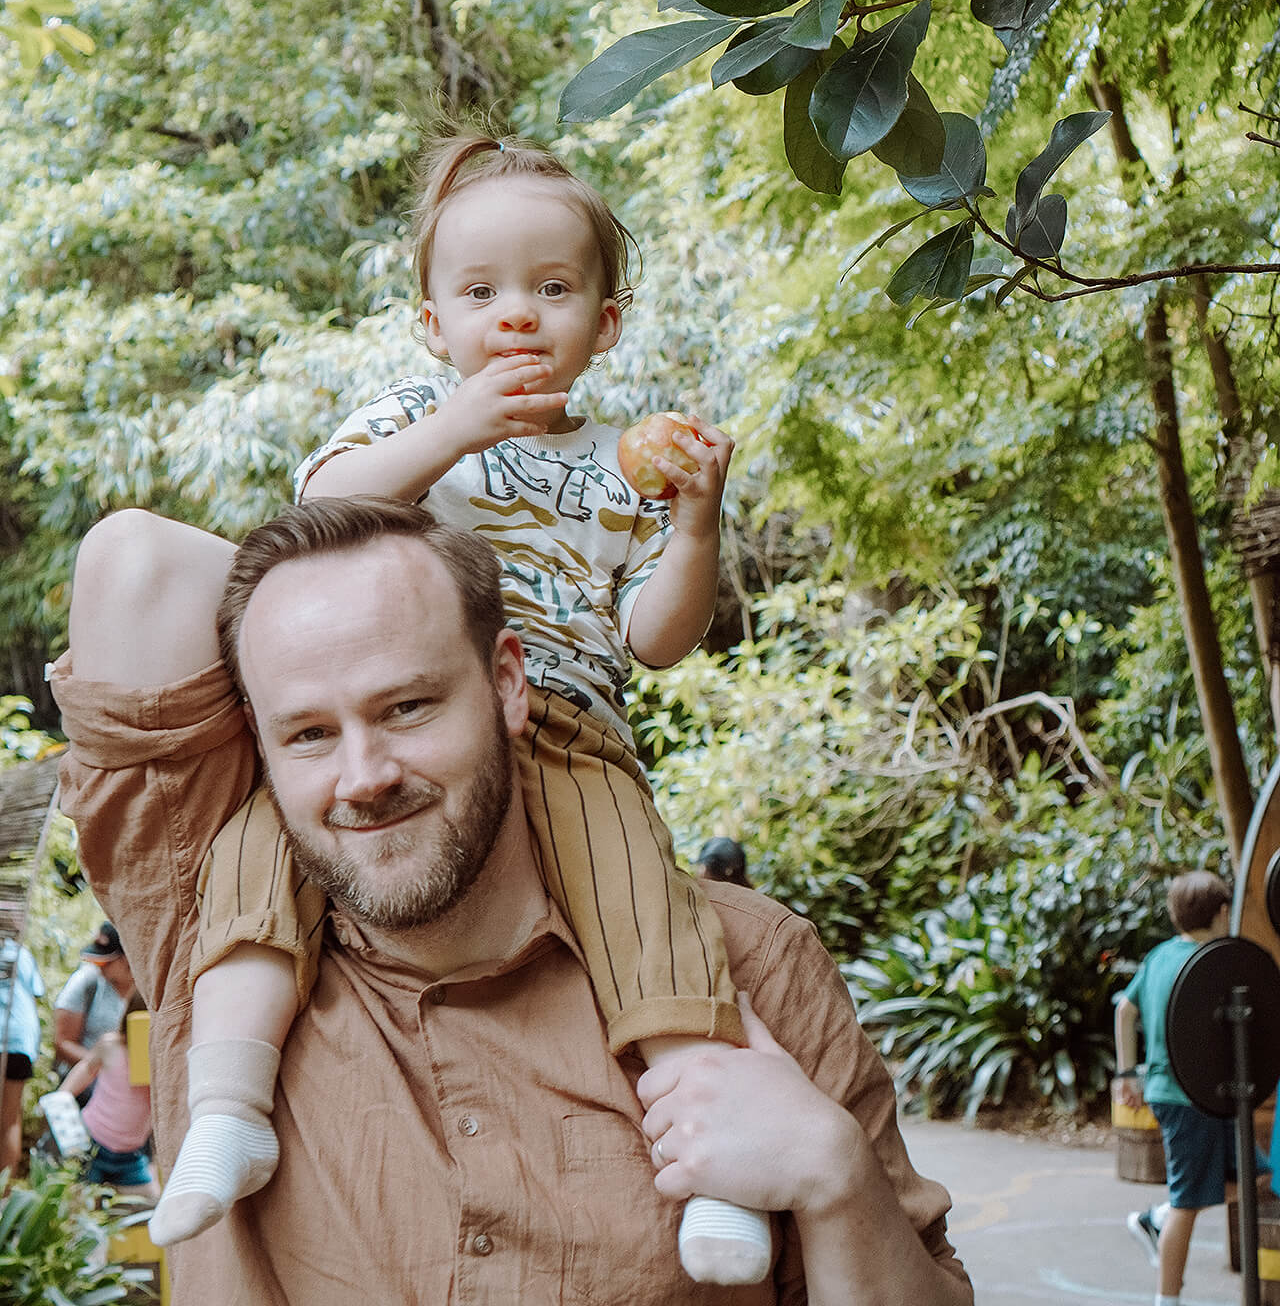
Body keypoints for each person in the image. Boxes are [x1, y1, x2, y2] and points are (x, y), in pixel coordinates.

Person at [54, 494, 973, 1306]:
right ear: (258, 735)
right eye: (307, 731)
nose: (363, 776)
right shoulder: (198, 932)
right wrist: (325, 580)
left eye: (408, 706)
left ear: (506, 683)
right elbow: (136, 563)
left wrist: (836, 1181)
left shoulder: (752, 967)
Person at [151, 130, 766, 1282]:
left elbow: (654, 638)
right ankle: (229, 1103)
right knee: (259, 842)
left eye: (552, 288)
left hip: (569, 724)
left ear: (606, 320)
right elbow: (317, 505)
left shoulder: (619, 470)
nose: (518, 316)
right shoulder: (413, 421)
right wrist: (457, 425)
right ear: (434, 324)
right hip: (401, 712)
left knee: (641, 898)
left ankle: (713, 1164)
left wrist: (692, 526)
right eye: (481, 292)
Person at [1115, 869, 1233, 1306]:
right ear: (1222, 913)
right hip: (1187, 1099)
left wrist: (1128, 1074)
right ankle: (1168, 1299)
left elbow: (1125, 1011)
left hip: (1193, 1096)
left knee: (1255, 1173)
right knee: (1187, 1202)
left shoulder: (1159, 957)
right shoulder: (1215, 961)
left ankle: (1156, 1217)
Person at [62, 991, 159, 1200]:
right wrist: (63, 1095)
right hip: (92, 1144)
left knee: (150, 1205)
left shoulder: (161, 1063)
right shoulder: (111, 1046)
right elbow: (87, 1067)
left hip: (130, 1155)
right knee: (80, 1204)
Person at [53, 922, 135, 1074]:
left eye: (106, 962)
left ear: (127, 959)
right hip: (89, 1085)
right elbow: (63, 1042)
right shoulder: (87, 981)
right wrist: (107, 1068)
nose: (99, 967)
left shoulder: (148, 988)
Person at [0, 919, 44, 1182]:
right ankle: (4, 1198)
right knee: (10, 1119)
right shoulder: (19, 953)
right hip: (19, 1042)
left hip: (11, 1038)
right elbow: (36, 991)